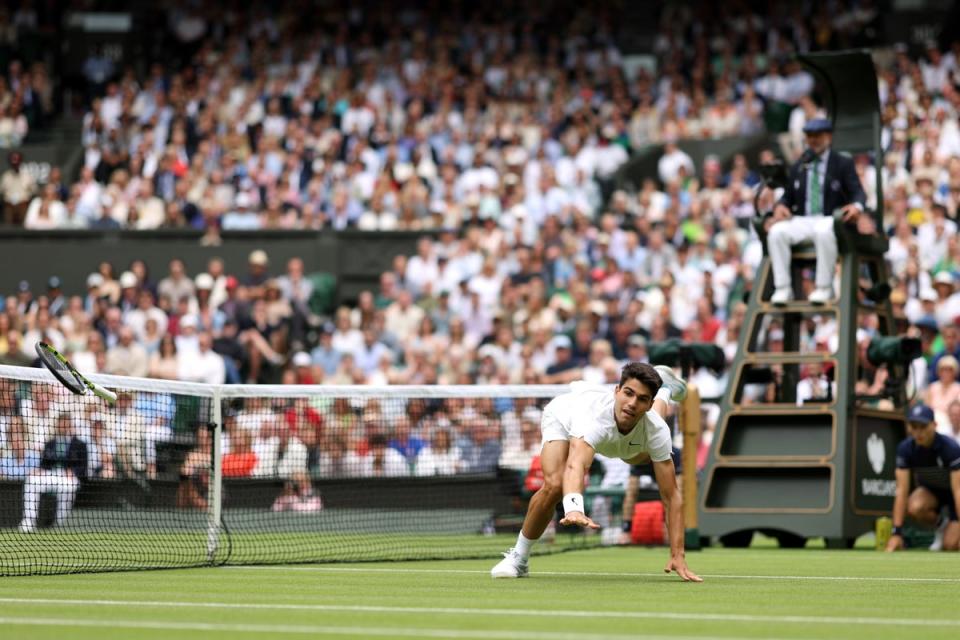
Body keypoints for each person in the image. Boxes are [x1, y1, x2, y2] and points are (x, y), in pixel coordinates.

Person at [490, 363, 701, 581]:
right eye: (628, 393)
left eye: (642, 398)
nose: (631, 403)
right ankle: (518, 557)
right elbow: (576, 464)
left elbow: (671, 496)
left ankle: (664, 391)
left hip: (628, 439)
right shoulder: (593, 419)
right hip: (564, 419)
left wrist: (678, 554)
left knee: (646, 444)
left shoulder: (656, 429)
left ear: (649, 404)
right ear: (617, 391)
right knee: (554, 485)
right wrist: (574, 508)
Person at [767, 118, 867, 305]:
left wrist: (856, 206)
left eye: (818, 136)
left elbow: (858, 192)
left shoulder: (842, 163)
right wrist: (780, 206)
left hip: (831, 219)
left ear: (828, 136)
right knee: (776, 233)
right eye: (810, 136)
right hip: (804, 220)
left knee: (823, 229)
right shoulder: (800, 164)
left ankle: (823, 287)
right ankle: (782, 288)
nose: (814, 140)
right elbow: (787, 196)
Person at [886, 404, 960, 552]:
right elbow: (901, 490)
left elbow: (958, 491)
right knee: (915, 506)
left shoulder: (950, 448)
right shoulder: (905, 449)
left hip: (954, 495)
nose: (918, 432)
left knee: (951, 545)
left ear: (934, 425)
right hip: (931, 493)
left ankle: (952, 530)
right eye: (914, 427)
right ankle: (942, 526)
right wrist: (896, 532)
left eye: (923, 426)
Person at [18, 413, 88, 532]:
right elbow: (44, 463)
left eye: (66, 423)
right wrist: (40, 469)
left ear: (70, 425)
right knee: (31, 480)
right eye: (61, 423)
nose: (63, 426)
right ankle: (29, 521)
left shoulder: (80, 444)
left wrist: (73, 471)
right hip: (50, 475)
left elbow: (83, 466)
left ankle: (60, 523)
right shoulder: (50, 443)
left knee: (70, 487)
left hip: (67, 476)